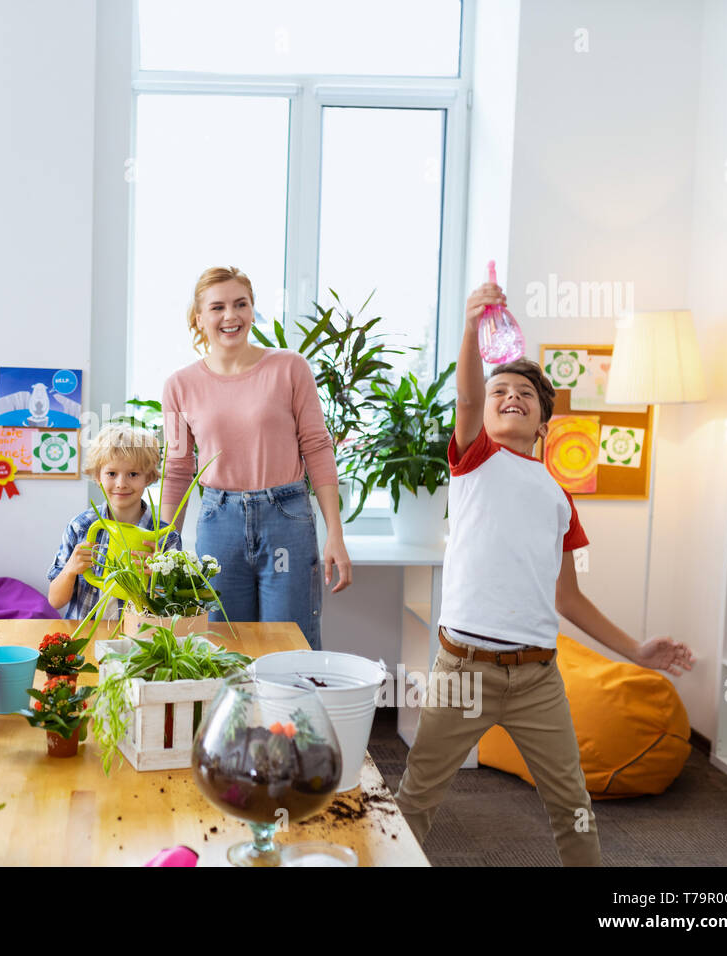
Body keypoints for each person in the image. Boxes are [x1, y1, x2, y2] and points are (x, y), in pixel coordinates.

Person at [392, 279, 695, 866]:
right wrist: (470, 326)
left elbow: (570, 599)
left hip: (537, 679)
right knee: (417, 795)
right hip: (463, 671)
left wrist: (636, 649)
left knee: (573, 805)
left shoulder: (558, 497)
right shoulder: (475, 460)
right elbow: (466, 398)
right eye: (499, 389)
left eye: (524, 394)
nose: (509, 397)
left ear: (543, 424)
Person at [159, 266, 351, 651]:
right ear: (199, 318)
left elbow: (316, 447)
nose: (230, 316)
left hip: (287, 519)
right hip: (219, 522)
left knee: (289, 646)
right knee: (223, 646)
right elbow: (179, 469)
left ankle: (288, 715)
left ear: (252, 310)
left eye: (240, 304)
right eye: (217, 307)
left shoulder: (289, 368)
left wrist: (336, 533)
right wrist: (166, 543)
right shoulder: (179, 385)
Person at [47, 423, 182, 621]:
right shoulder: (80, 527)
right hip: (86, 638)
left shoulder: (166, 538)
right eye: (112, 474)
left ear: (149, 478)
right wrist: (70, 570)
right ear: (97, 476)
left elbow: (175, 607)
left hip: (140, 640)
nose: (121, 483)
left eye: (133, 474)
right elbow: (54, 601)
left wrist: (160, 578)